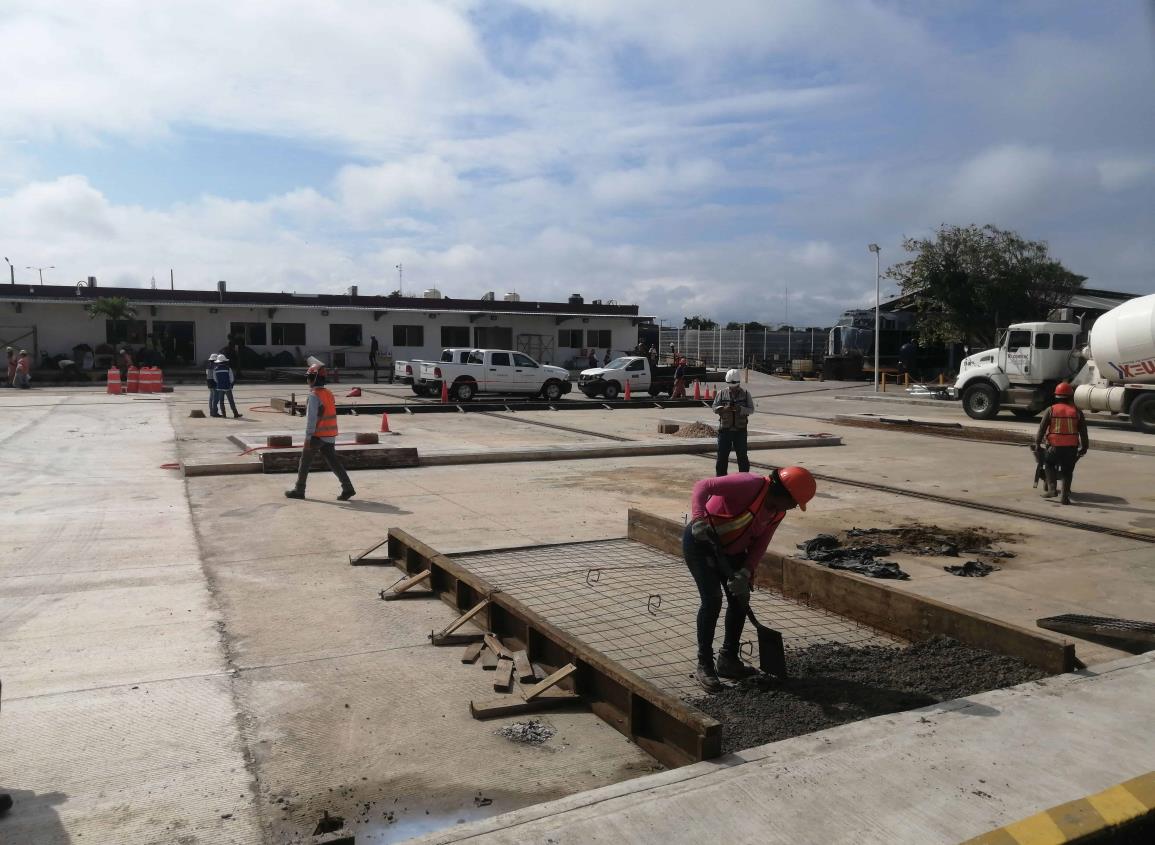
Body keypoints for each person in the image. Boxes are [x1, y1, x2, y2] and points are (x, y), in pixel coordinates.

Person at [684, 466, 817, 691]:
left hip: (733, 553)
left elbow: (760, 545)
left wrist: (746, 572)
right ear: (783, 493)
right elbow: (702, 486)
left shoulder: (777, 512)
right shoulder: (749, 484)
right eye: (794, 502)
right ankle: (704, 664)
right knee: (712, 600)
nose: (794, 507)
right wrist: (698, 519)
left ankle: (728, 659)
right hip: (703, 543)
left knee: (740, 599)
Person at [285, 364, 356, 501]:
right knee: (334, 462)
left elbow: (311, 420)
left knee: (304, 462)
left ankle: (299, 489)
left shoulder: (313, 396)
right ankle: (348, 488)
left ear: (313, 379)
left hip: (317, 436)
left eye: (308, 378)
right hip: (329, 435)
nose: (307, 381)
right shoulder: (328, 393)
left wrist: (307, 438)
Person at [1034, 382, 1089, 505]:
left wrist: (1037, 444)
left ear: (1056, 397)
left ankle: (1052, 490)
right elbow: (1083, 432)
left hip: (1054, 447)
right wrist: (1085, 447)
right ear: (1070, 397)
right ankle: (1064, 497)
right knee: (1067, 471)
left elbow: (1042, 429)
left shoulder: (1051, 410)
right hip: (1071, 448)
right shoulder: (1077, 412)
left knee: (1048, 464)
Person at [712, 369, 755, 475]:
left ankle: (744, 480)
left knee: (742, 457)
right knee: (722, 457)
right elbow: (714, 408)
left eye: (735, 386)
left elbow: (751, 409)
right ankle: (721, 481)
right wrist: (723, 409)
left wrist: (740, 409)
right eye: (731, 386)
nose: (733, 389)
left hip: (740, 431)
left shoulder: (746, 394)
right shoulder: (721, 394)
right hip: (725, 431)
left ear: (738, 383)